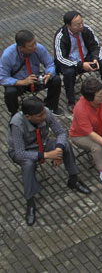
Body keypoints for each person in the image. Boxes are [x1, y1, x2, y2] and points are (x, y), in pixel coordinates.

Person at [8, 97, 91, 226]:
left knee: (66, 146)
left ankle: (73, 180)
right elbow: (19, 153)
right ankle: (30, 202)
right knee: (28, 165)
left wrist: (58, 150)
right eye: (39, 115)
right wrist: (47, 155)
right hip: (26, 150)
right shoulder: (17, 124)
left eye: (44, 112)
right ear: (28, 117)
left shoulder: (45, 111)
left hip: (43, 144)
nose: (44, 116)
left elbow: (61, 133)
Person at [54, 11, 102, 113]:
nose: (81, 26)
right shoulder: (60, 36)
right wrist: (80, 65)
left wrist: (95, 58)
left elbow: (96, 46)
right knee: (68, 73)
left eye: (82, 22)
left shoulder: (86, 30)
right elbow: (60, 58)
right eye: (77, 25)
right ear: (68, 25)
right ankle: (71, 101)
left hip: (86, 57)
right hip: (71, 61)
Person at [0, 30, 63, 116]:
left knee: (56, 79)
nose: (35, 47)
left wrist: (48, 74)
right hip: (19, 82)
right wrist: (23, 82)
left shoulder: (39, 48)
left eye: (35, 43)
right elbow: (2, 78)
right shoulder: (8, 56)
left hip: (35, 78)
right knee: (9, 92)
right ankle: (15, 114)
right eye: (31, 46)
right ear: (20, 48)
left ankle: (51, 106)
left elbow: (50, 64)